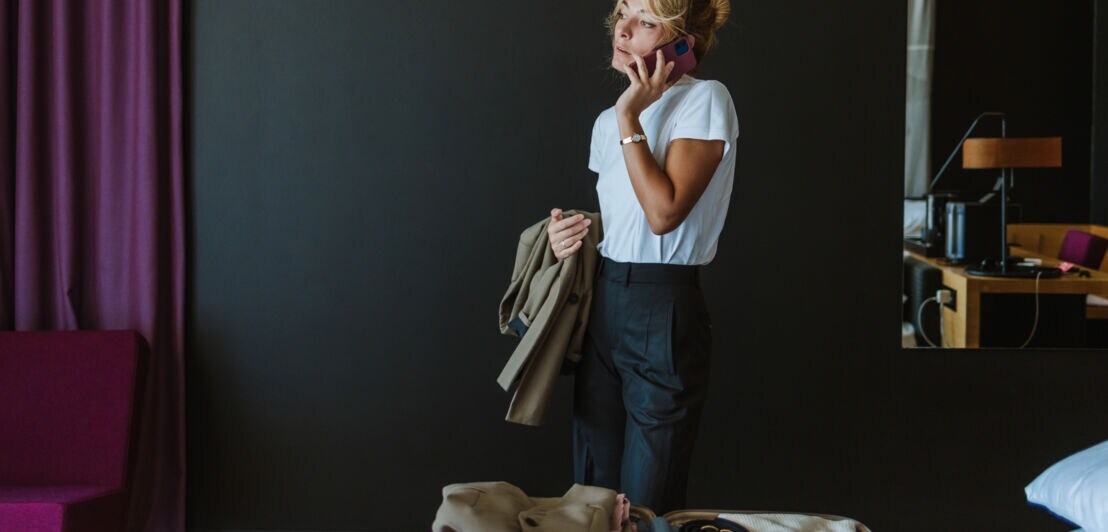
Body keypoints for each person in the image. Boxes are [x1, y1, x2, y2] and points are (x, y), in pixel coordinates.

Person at [546, 0, 738, 514]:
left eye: (647, 22)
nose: (623, 30)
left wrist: (629, 113)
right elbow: (625, 223)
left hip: (663, 310)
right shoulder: (606, 124)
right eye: (622, 13)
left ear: (683, 44)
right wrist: (570, 235)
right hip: (604, 307)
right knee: (592, 498)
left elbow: (663, 213)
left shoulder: (705, 100)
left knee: (646, 507)